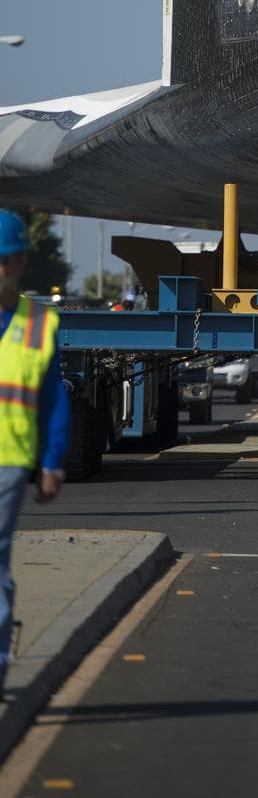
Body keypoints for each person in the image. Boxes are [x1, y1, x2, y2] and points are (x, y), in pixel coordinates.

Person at [0, 211, 71, 695]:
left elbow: (53, 400)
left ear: (21, 262)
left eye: (5, 260)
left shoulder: (39, 324)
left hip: (9, 460)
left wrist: (51, 461)